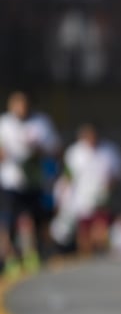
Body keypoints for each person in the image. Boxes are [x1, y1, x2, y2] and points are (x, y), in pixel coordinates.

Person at [0, 90, 62, 274]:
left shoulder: (42, 123)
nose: (21, 109)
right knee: (9, 221)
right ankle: (9, 257)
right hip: (9, 181)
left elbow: (56, 149)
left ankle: (32, 255)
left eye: (24, 105)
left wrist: (38, 151)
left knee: (35, 220)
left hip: (35, 180)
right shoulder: (4, 124)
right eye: (17, 105)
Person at [49, 122, 121, 256]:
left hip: (102, 198)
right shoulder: (74, 153)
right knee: (84, 233)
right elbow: (68, 177)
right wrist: (62, 199)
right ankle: (86, 259)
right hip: (81, 200)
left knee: (100, 230)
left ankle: (101, 256)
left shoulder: (109, 151)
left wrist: (111, 183)